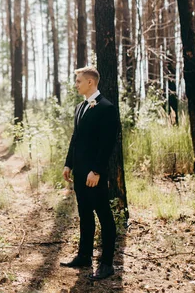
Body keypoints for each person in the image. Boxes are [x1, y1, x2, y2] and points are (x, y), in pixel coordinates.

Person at [60, 66, 119, 280]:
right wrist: (68, 164)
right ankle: (84, 256)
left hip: (95, 175)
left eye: (78, 81)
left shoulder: (106, 108)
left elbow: (107, 144)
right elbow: (75, 139)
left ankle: (106, 264)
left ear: (90, 83)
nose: (76, 85)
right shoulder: (80, 107)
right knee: (85, 215)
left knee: (104, 216)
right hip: (80, 173)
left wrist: (96, 171)